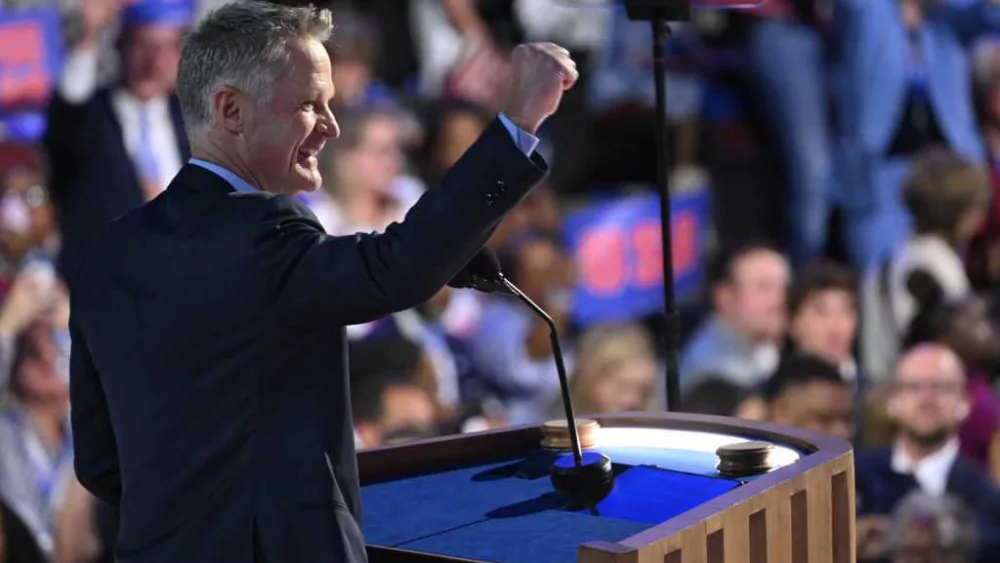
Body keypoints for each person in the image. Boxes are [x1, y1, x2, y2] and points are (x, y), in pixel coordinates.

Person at [67, 3, 577, 563]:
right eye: (310, 104)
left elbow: (99, 461)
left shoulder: (110, 252)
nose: (332, 126)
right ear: (231, 110)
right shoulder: (262, 231)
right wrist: (517, 126)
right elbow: (395, 267)